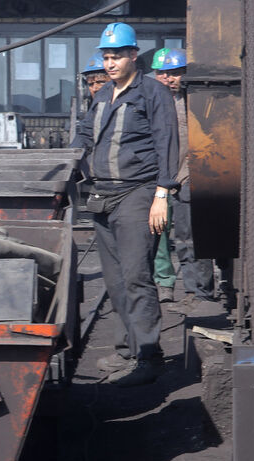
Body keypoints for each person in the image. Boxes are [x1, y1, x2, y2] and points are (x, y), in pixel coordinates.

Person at [71, 23, 179, 387]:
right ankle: (125, 349)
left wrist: (162, 195)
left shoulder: (153, 93)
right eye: (106, 57)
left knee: (136, 276)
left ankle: (149, 356)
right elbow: (85, 134)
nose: (110, 63)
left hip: (138, 193)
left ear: (134, 54)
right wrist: (65, 163)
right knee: (115, 281)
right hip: (103, 195)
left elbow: (166, 142)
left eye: (116, 56)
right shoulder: (103, 95)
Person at [151, 47, 214, 305]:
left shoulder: (194, 103)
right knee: (170, 238)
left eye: (175, 73)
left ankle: (201, 292)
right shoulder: (153, 103)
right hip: (161, 180)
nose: (169, 79)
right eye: (163, 74)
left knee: (191, 238)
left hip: (188, 177)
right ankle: (187, 290)